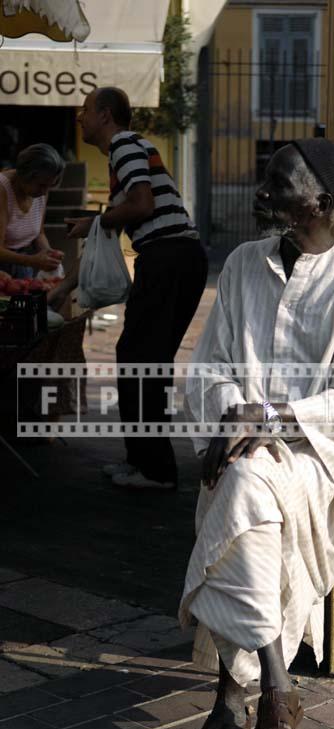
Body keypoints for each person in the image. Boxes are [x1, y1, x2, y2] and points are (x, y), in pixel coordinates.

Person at [171, 138, 334, 729]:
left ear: (323, 203)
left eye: (278, 185)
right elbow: (210, 367)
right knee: (245, 490)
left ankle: (235, 699)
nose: (261, 195)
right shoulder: (243, 264)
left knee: (241, 490)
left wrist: (265, 420)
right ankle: (266, 688)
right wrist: (233, 415)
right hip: (246, 447)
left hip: (320, 455)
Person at [56, 87, 208, 490]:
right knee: (143, 357)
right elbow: (132, 210)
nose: (79, 118)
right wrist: (94, 224)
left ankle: (156, 470)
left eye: (85, 110)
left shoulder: (123, 145)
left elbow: (142, 206)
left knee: (142, 358)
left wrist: (100, 221)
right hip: (177, 259)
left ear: (105, 115)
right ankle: (142, 460)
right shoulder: (129, 150)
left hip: (168, 259)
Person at [0, 143, 65, 278]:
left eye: (50, 186)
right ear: (24, 175)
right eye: (41, 185)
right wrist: (33, 261)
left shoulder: (41, 189)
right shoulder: (3, 190)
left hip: (24, 266)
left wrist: (49, 254)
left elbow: (39, 234)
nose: (45, 192)